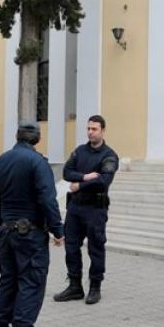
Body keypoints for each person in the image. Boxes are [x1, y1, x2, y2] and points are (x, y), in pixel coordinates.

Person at [0, 120, 64, 327]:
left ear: (17, 135)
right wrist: (58, 229)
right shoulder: (38, 162)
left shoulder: (2, 160)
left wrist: (2, 222)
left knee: (8, 280)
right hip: (30, 233)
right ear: (37, 138)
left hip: (7, 231)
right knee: (31, 280)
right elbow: (47, 199)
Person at [53, 115, 119, 305]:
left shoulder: (109, 155)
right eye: (88, 129)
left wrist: (79, 185)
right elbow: (67, 172)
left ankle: (95, 287)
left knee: (95, 248)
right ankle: (75, 286)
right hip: (75, 208)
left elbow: (104, 180)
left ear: (103, 130)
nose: (90, 132)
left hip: (95, 209)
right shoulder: (80, 151)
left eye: (94, 129)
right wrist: (85, 177)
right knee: (71, 247)